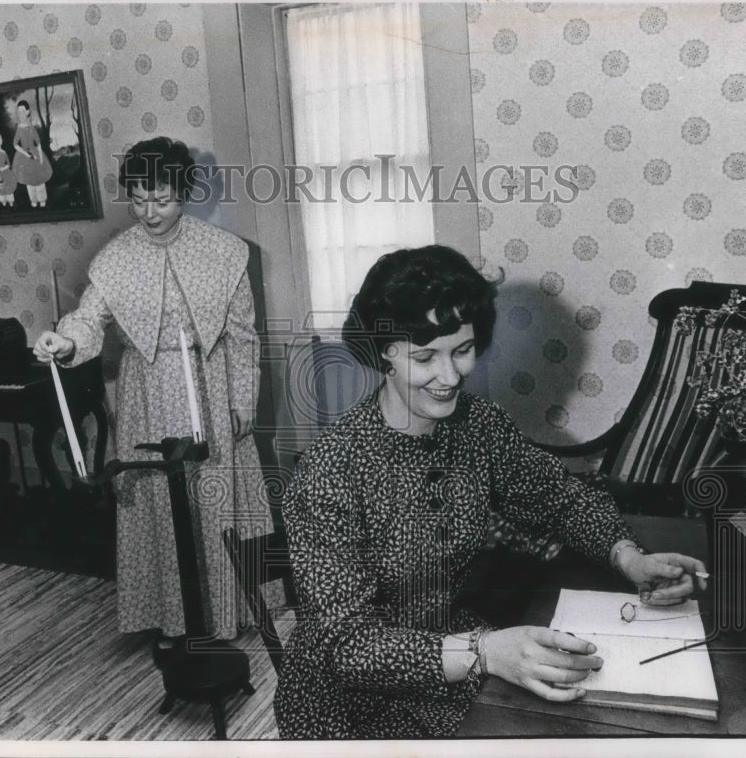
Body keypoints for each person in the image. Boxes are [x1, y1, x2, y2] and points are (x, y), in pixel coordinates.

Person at [273, 246, 708, 738]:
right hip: (350, 706)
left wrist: (628, 557)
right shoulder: (330, 470)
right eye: (425, 357)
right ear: (383, 354)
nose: (451, 376)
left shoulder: (478, 425)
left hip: (455, 651)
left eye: (462, 350)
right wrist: (483, 651)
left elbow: (560, 497)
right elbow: (347, 647)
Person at [32, 136, 272, 646]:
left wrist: (242, 398)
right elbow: (89, 318)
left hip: (210, 388)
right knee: (161, 502)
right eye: (138, 200)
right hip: (148, 395)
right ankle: (173, 619)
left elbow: (242, 334)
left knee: (213, 500)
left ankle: (224, 617)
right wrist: (65, 340)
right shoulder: (116, 259)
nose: (148, 212)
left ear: (183, 194)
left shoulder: (223, 252)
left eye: (160, 199)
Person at [11, 100, 53, 207]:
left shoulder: (31, 127)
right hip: (24, 157)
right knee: (28, 180)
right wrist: (25, 153)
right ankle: (33, 200)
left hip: (36, 155)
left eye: (22, 111)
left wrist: (41, 158)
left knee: (39, 179)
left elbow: (38, 143)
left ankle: (42, 200)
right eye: (19, 112)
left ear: (27, 112)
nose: (20, 114)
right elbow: (15, 144)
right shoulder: (19, 128)